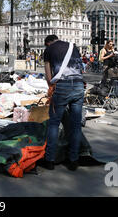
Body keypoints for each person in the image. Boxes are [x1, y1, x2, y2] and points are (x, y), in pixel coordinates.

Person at [41, 35, 84, 172]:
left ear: (48, 43)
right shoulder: (73, 47)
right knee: (76, 125)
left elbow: (49, 77)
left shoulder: (48, 50)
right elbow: (80, 69)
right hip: (78, 86)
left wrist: (50, 88)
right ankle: (73, 161)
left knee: (54, 123)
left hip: (62, 87)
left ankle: (50, 160)